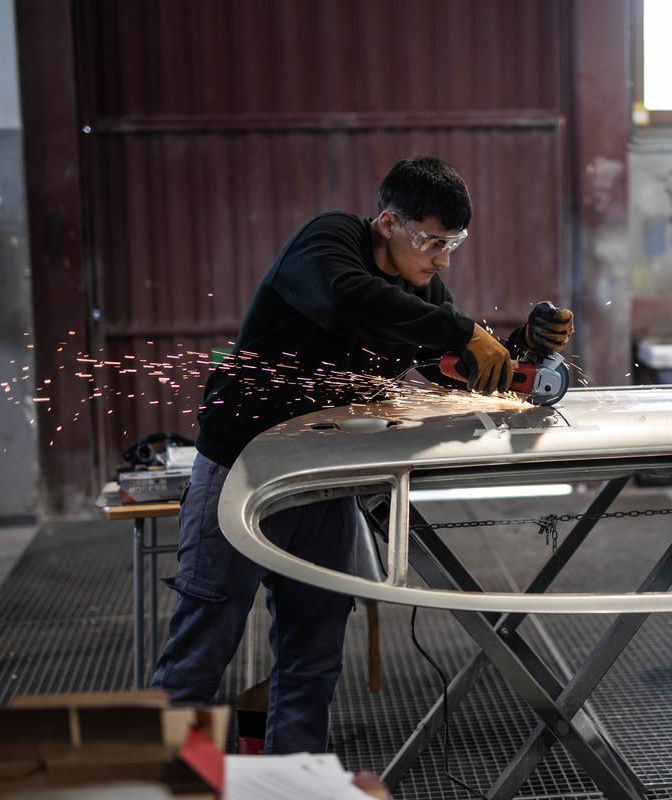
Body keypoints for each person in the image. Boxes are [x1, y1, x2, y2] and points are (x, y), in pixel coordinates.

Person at [150, 155, 574, 754]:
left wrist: (516, 350)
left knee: (312, 657)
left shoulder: (423, 289)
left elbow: (453, 368)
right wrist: (458, 329)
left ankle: (293, 790)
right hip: (239, 471)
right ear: (386, 222)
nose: (441, 258)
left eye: (453, 244)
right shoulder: (327, 242)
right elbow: (343, 299)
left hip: (321, 479)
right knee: (200, 652)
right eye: (430, 240)